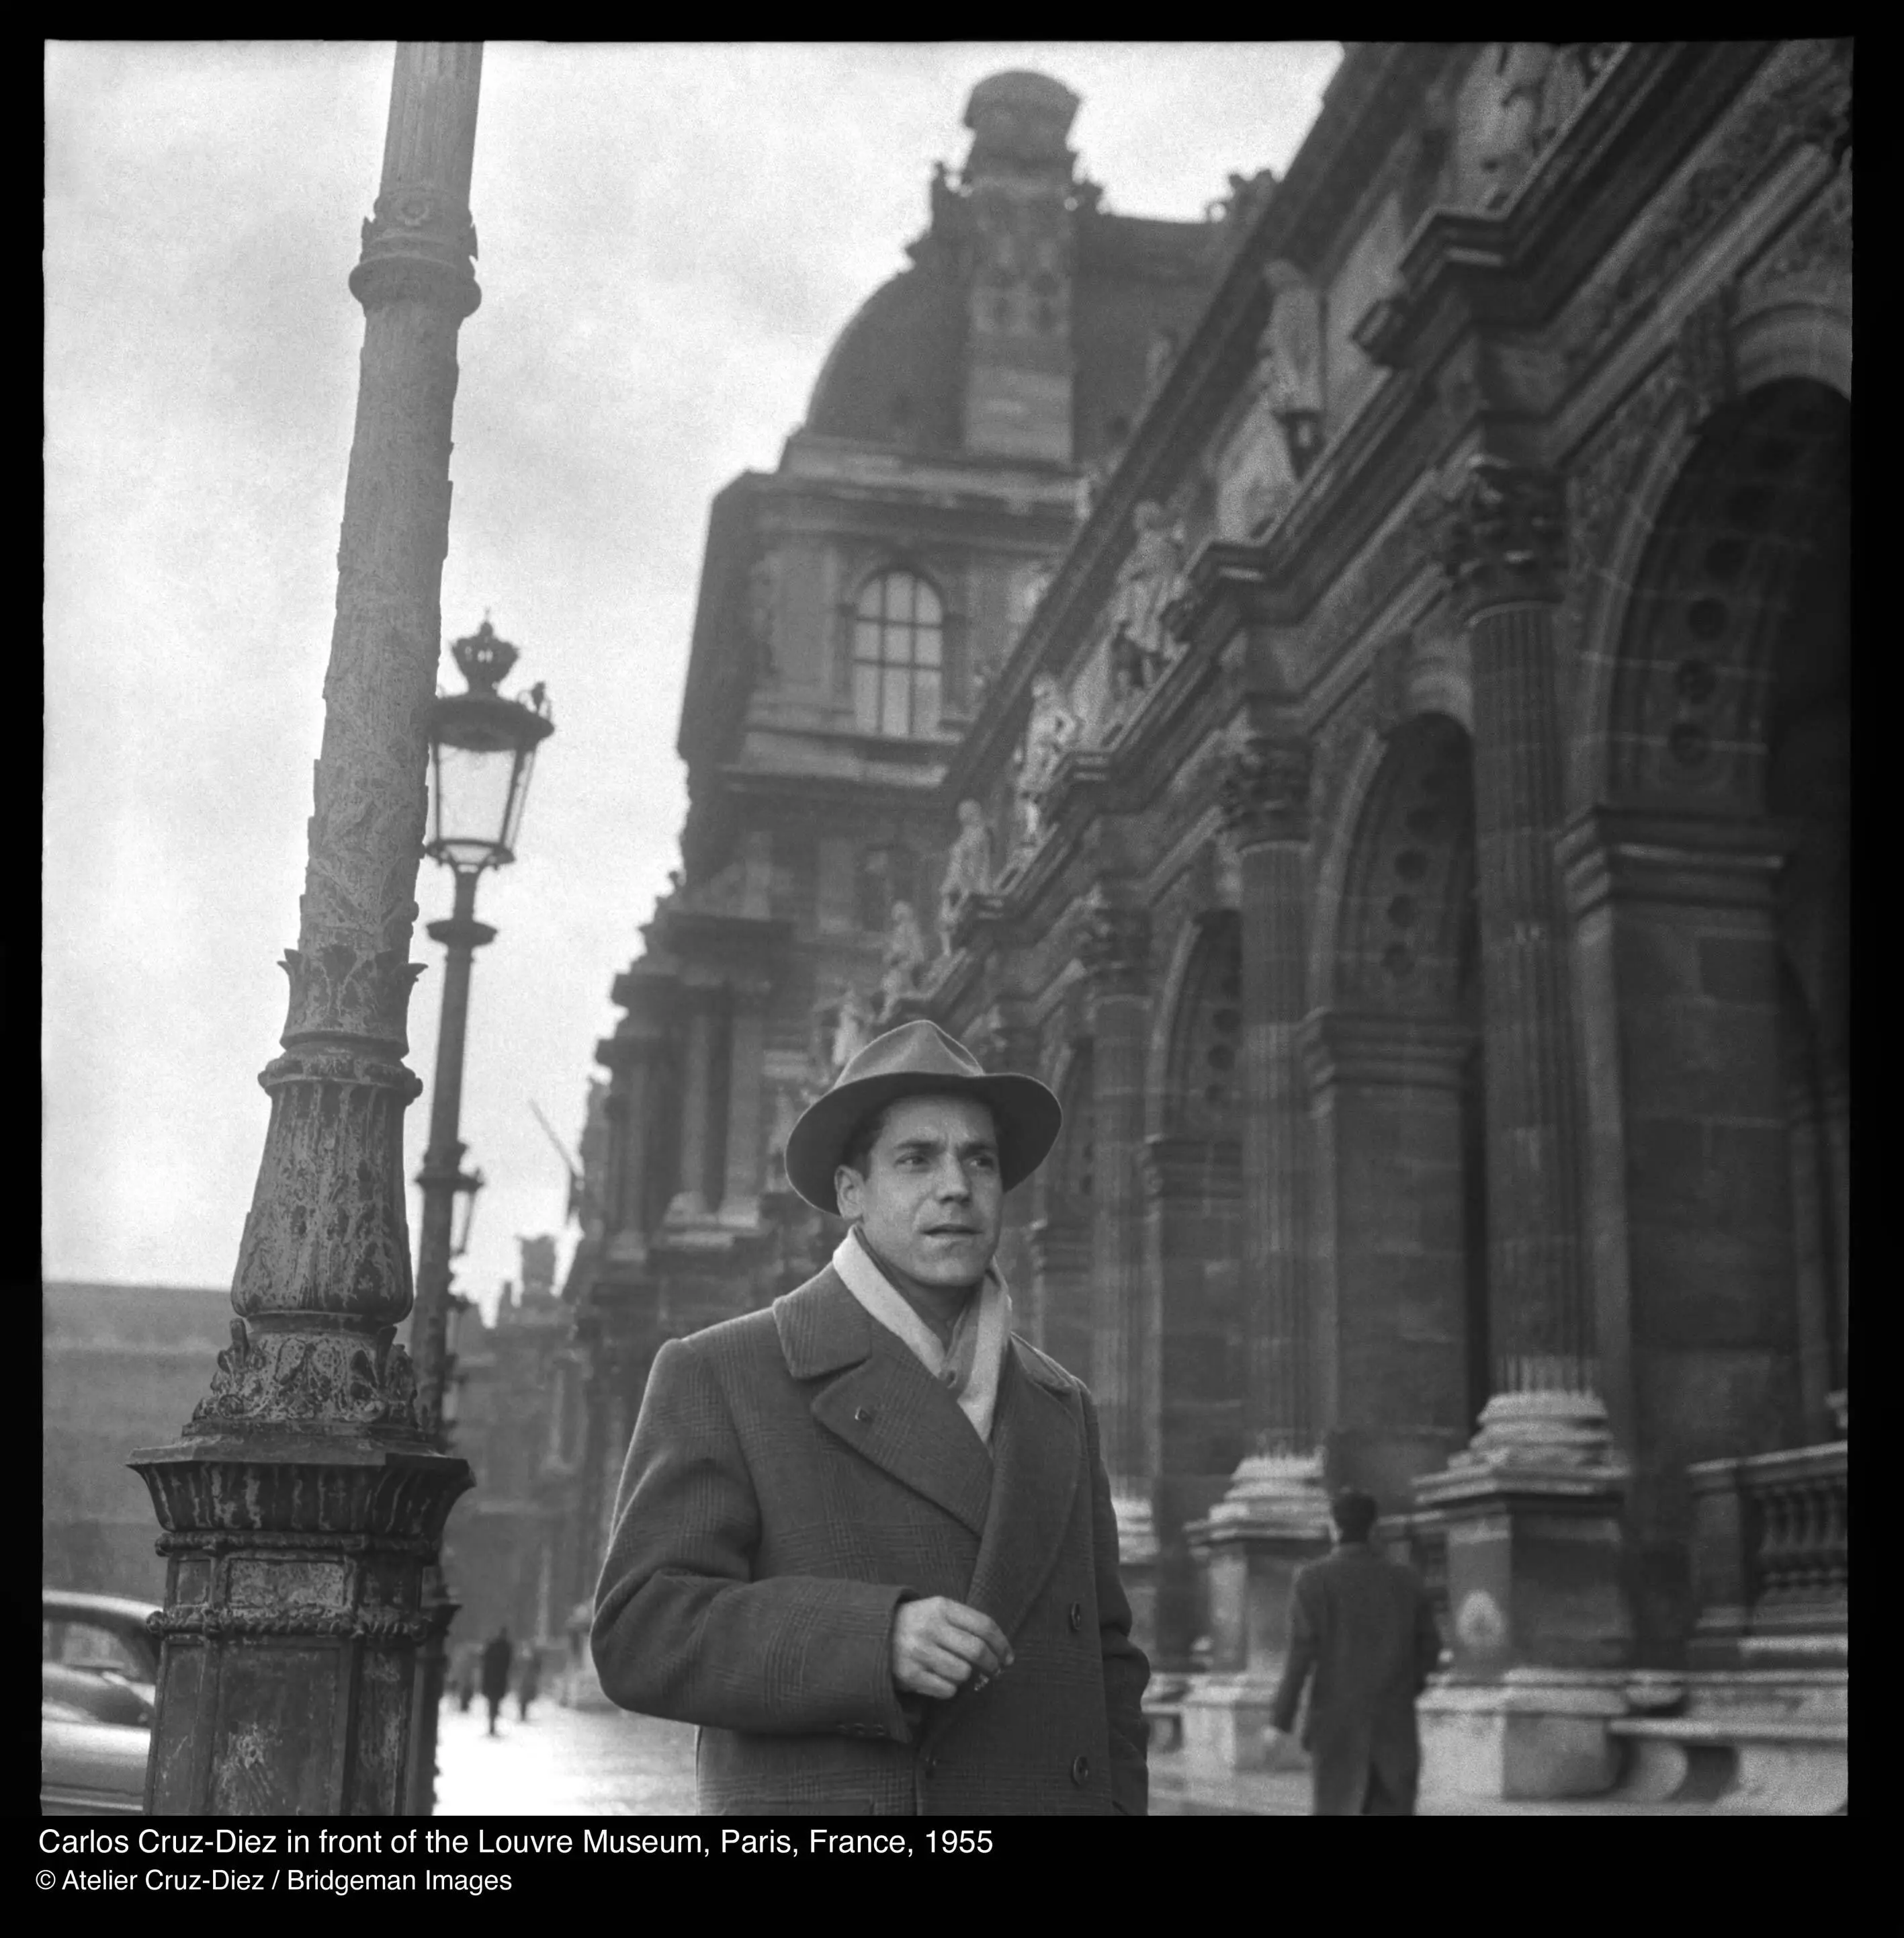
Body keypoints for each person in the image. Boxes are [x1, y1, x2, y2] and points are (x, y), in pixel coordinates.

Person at [592, 1019, 1150, 1815]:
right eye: (916, 1159)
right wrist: (871, 1641)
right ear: (850, 1192)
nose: (955, 1186)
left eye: (979, 1160)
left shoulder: (1061, 1404)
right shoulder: (725, 1372)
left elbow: (1107, 1664)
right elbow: (640, 1632)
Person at [1264, 1487, 1442, 1815]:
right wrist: (1402, 1689)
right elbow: (1430, 1650)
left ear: (1334, 1528)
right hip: (1395, 1728)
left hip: (1336, 1728)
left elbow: (1300, 1656)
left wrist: (1280, 1720)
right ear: (1374, 1528)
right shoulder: (1407, 1580)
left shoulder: (1313, 1580)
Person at [480, 1627, 513, 1738]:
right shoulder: (506, 1647)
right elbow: (508, 1664)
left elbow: (484, 1661)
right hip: (498, 1681)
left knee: (492, 1703)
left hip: (491, 1680)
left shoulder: (493, 1646)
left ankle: (492, 1726)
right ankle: (492, 1726)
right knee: (494, 1703)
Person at [517, 1648, 540, 1724]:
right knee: (523, 1699)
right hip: (525, 1682)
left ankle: (523, 1715)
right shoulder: (526, 1662)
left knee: (524, 1699)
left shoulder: (532, 1663)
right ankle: (523, 1715)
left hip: (528, 1682)